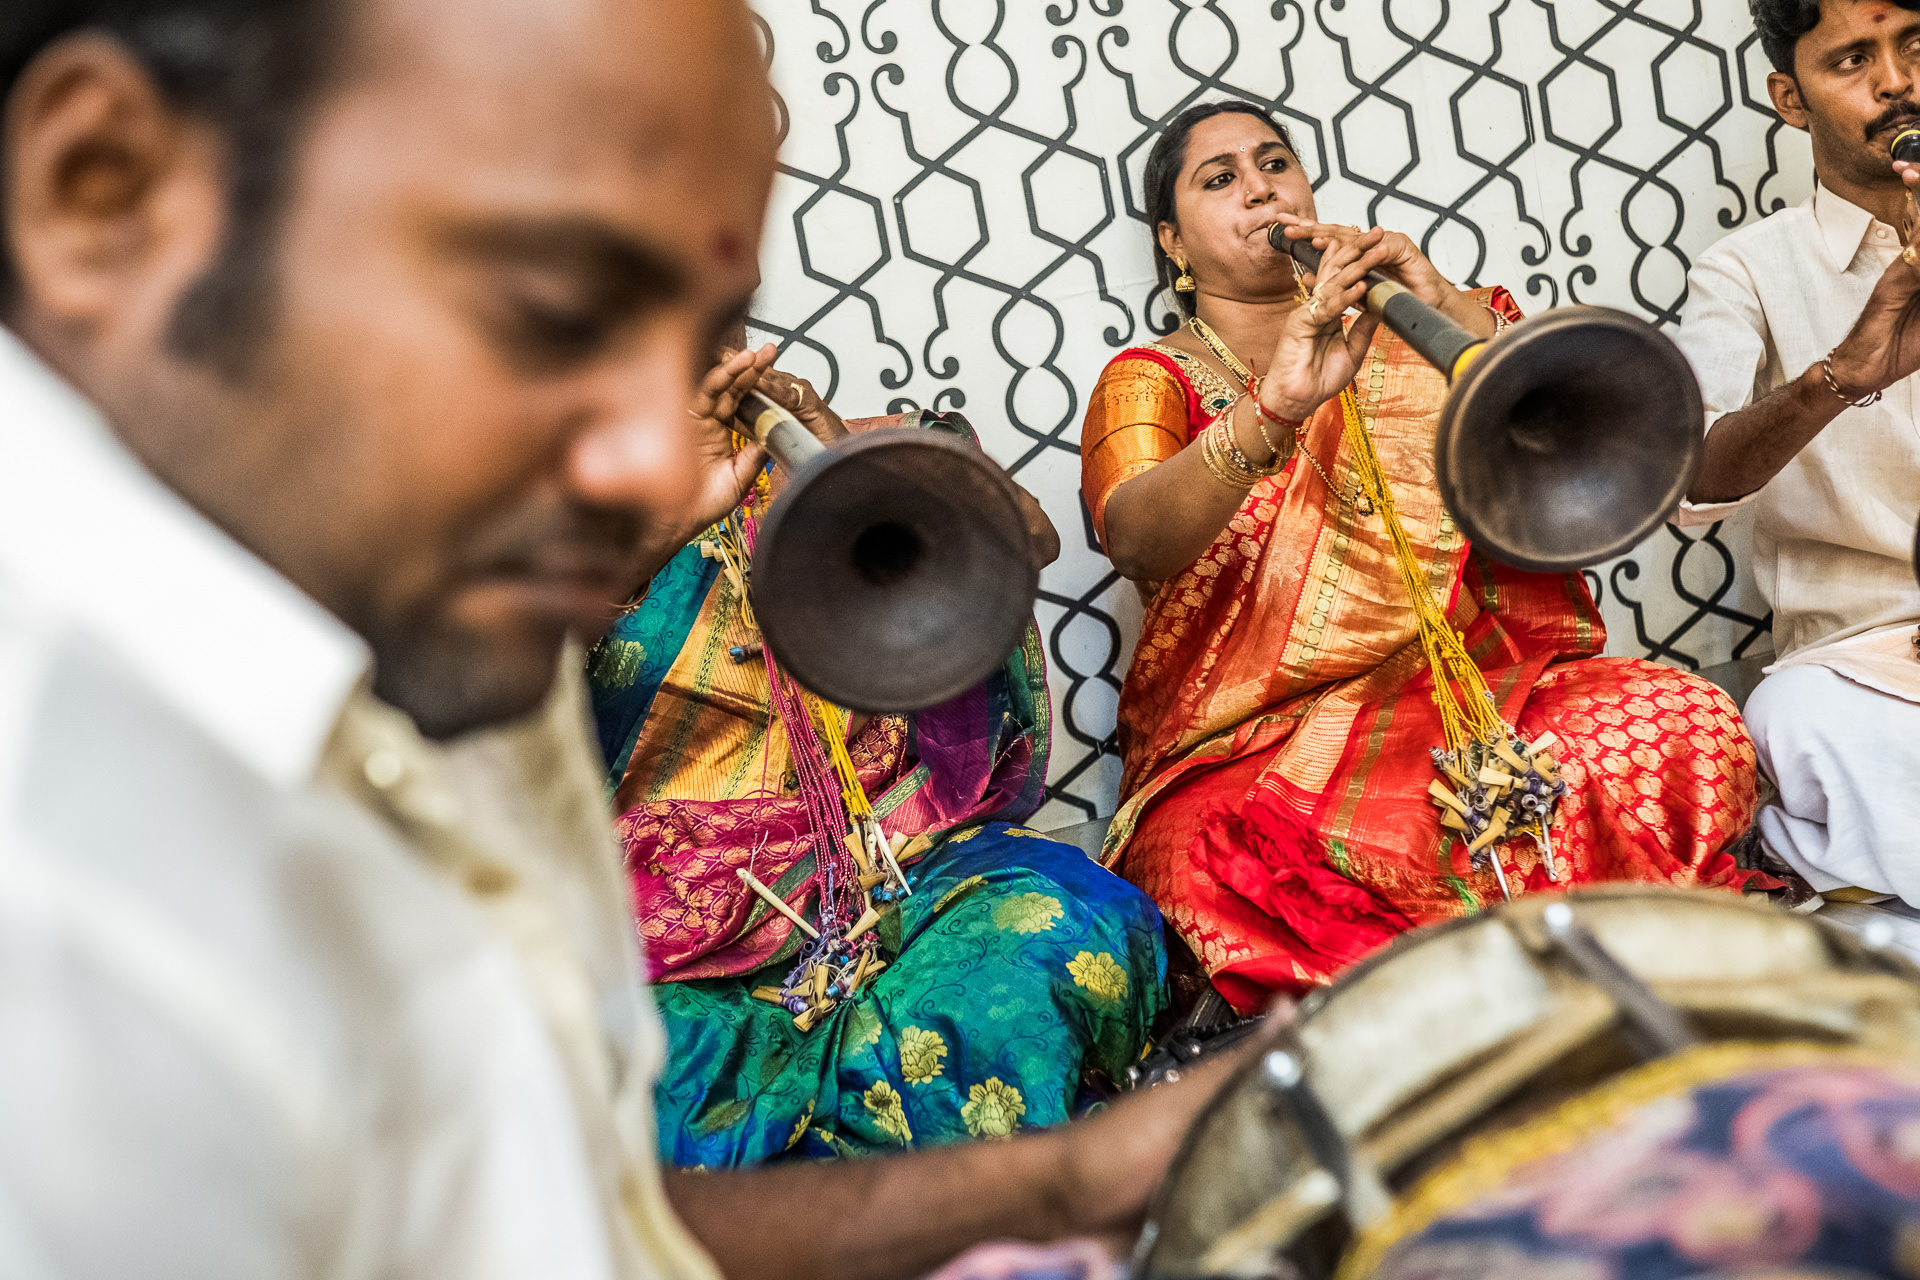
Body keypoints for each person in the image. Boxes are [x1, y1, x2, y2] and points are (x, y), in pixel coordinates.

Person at [0, 3, 1242, 1278]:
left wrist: (1066, 1182)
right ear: (104, 192)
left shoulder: (429, 647)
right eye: (556, 310)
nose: (656, 460)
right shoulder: (55, 894)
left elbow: (555, 1220)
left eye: (695, 337)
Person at [1079, 100, 1766, 1015]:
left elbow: (1586, 437)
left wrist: (1441, 310)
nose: (1260, 189)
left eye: (1275, 162)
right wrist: (1274, 408)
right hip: (1260, 745)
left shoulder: (1422, 331)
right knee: (1215, 853)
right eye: (1220, 180)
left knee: (1688, 715)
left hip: (1484, 690)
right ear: (1172, 241)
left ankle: (1580, 979)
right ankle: (1456, 1016)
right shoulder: (1151, 377)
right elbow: (1133, 540)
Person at [587, 351, 1166, 1168]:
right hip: (681, 927)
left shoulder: (861, 451)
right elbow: (485, 706)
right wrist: (658, 528)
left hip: (900, 856)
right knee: (638, 1081)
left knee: (1069, 923)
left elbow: (1028, 540)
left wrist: (836, 454)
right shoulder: (562, 521)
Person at [1675, 0, 1920, 907]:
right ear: (1790, 97)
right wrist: (1844, 374)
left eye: (1914, 46)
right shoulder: (1744, 271)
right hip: (1863, 662)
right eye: (1853, 60)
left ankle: (1838, 860)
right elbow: (1689, 488)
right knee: (1799, 725)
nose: (1895, 80)